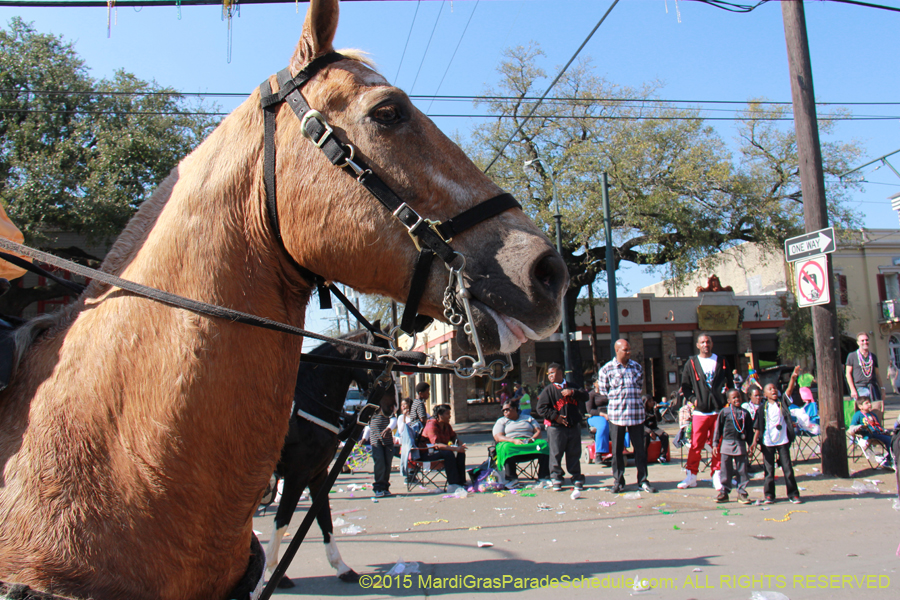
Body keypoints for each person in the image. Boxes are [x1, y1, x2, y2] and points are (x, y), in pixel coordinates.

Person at [597, 339, 655, 494]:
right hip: (617, 415)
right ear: (617, 350)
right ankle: (618, 481)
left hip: (636, 414)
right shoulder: (606, 370)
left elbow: (640, 386)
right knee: (617, 451)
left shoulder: (637, 367)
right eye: (625, 349)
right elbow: (604, 392)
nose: (628, 352)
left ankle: (643, 480)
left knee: (640, 449)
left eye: (629, 349)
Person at [678, 333, 732, 490]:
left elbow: (730, 383)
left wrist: (726, 399)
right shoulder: (691, 363)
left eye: (708, 342)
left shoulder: (721, 361)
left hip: (718, 411)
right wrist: (693, 400)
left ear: (712, 343)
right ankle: (691, 476)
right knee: (696, 445)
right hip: (700, 412)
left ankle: (717, 475)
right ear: (697, 345)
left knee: (718, 444)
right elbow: (685, 387)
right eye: (702, 342)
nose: (705, 344)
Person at [536, 363, 586, 492]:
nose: (550, 376)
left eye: (552, 373)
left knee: (574, 453)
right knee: (556, 453)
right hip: (556, 428)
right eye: (548, 374)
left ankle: (576, 477)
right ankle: (556, 477)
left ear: (560, 373)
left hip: (573, 426)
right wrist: (555, 417)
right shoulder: (548, 390)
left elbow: (585, 396)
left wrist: (573, 392)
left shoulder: (572, 386)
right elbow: (540, 408)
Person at [750, 382, 801, 504]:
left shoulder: (782, 404)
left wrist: (793, 378)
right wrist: (753, 442)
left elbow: (789, 390)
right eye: (770, 389)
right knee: (769, 471)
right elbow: (757, 427)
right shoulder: (762, 408)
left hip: (782, 440)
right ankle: (769, 495)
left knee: (787, 469)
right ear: (765, 394)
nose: (773, 390)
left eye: (774, 388)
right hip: (768, 442)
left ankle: (793, 494)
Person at [491, 400, 550, 488]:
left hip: (529, 443)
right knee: (506, 448)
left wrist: (532, 439)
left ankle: (543, 478)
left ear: (515, 408)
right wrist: (513, 441)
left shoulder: (528, 418)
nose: (505, 412)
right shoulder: (501, 421)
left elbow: (538, 432)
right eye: (503, 410)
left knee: (543, 444)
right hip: (512, 444)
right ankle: (512, 479)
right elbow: (498, 437)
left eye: (507, 409)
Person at [712, 389, 753, 504]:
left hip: (740, 443)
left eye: (738, 397)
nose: (737, 399)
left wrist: (750, 445)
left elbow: (749, 431)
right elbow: (718, 429)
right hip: (726, 443)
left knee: (742, 469)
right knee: (725, 469)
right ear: (729, 400)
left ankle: (742, 492)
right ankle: (724, 492)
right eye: (734, 398)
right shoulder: (724, 412)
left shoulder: (745, 413)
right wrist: (715, 444)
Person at [420, 405, 468, 493]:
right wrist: (455, 449)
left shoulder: (447, 425)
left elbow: (453, 437)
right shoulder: (432, 425)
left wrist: (459, 444)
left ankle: (461, 482)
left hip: (440, 451)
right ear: (440, 415)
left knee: (461, 453)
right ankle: (453, 483)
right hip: (427, 453)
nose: (450, 416)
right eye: (447, 414)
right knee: (448, 453)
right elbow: (436, 445)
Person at [845, 332, 885, 419]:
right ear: (858, 342)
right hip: (860, 388)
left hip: (873, 387)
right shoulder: (852, 356)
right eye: (862, 340)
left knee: (877, 411)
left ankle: (876, 426)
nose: (865, 342)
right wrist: (852, 389)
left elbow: (877, 374)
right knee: (862, 413)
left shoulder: (873, 356)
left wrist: (882, 388)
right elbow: (848, 374)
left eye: (866, 340)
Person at [849, 398, 894, 468]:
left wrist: (885, 430)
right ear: (860, 406)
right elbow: (852, 427)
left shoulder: (873, 415)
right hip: (868, 435)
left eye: (870, 402)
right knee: (889, 440)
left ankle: (890, 457)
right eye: (866, 403)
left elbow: (879, 426)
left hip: (878, 433)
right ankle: (890, 460)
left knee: (895, 439)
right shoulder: (858, 415)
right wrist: (860, 426)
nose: (869, 404)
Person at [369, 400, 395, 497]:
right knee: (379, 462)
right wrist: (364, 438)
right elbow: (368, 426)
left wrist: (389, 428)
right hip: (376, 440)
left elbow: (393, 419)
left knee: (387, 464)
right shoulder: (371, 410)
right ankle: (378, 487)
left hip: (388, 441)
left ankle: (385, 486)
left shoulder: (387, 409)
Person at [586, 378, 611, 463]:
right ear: (594, 384)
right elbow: (590, 410)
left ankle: (624, 448)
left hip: (611, 415)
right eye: (599, 382)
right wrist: (603, 414)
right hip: (596, 416)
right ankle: (599, 453)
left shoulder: (609, 392)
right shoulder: (591, 394)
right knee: (603, 425)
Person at [643, 396, 670, 463]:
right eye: (650, 401)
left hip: (654, 428)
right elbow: (641, 424)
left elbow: (659, 420)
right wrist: (649, 432)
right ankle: (644, 457)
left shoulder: (654, 409)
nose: (652, 402)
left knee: (665, 435)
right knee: (646, 437)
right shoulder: (642, 411)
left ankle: (662, 456)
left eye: (652, 401)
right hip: (645, 428)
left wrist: (656, 410)